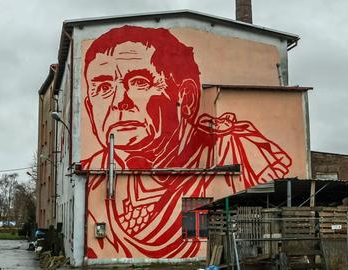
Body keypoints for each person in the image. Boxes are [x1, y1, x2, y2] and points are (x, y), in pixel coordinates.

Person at [82, 25, 292, 259]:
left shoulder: (238, 152)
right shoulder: (92, 176)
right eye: (103, 87)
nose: (119, 101)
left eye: (140, 82)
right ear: (90, 109)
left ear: (187, 97)